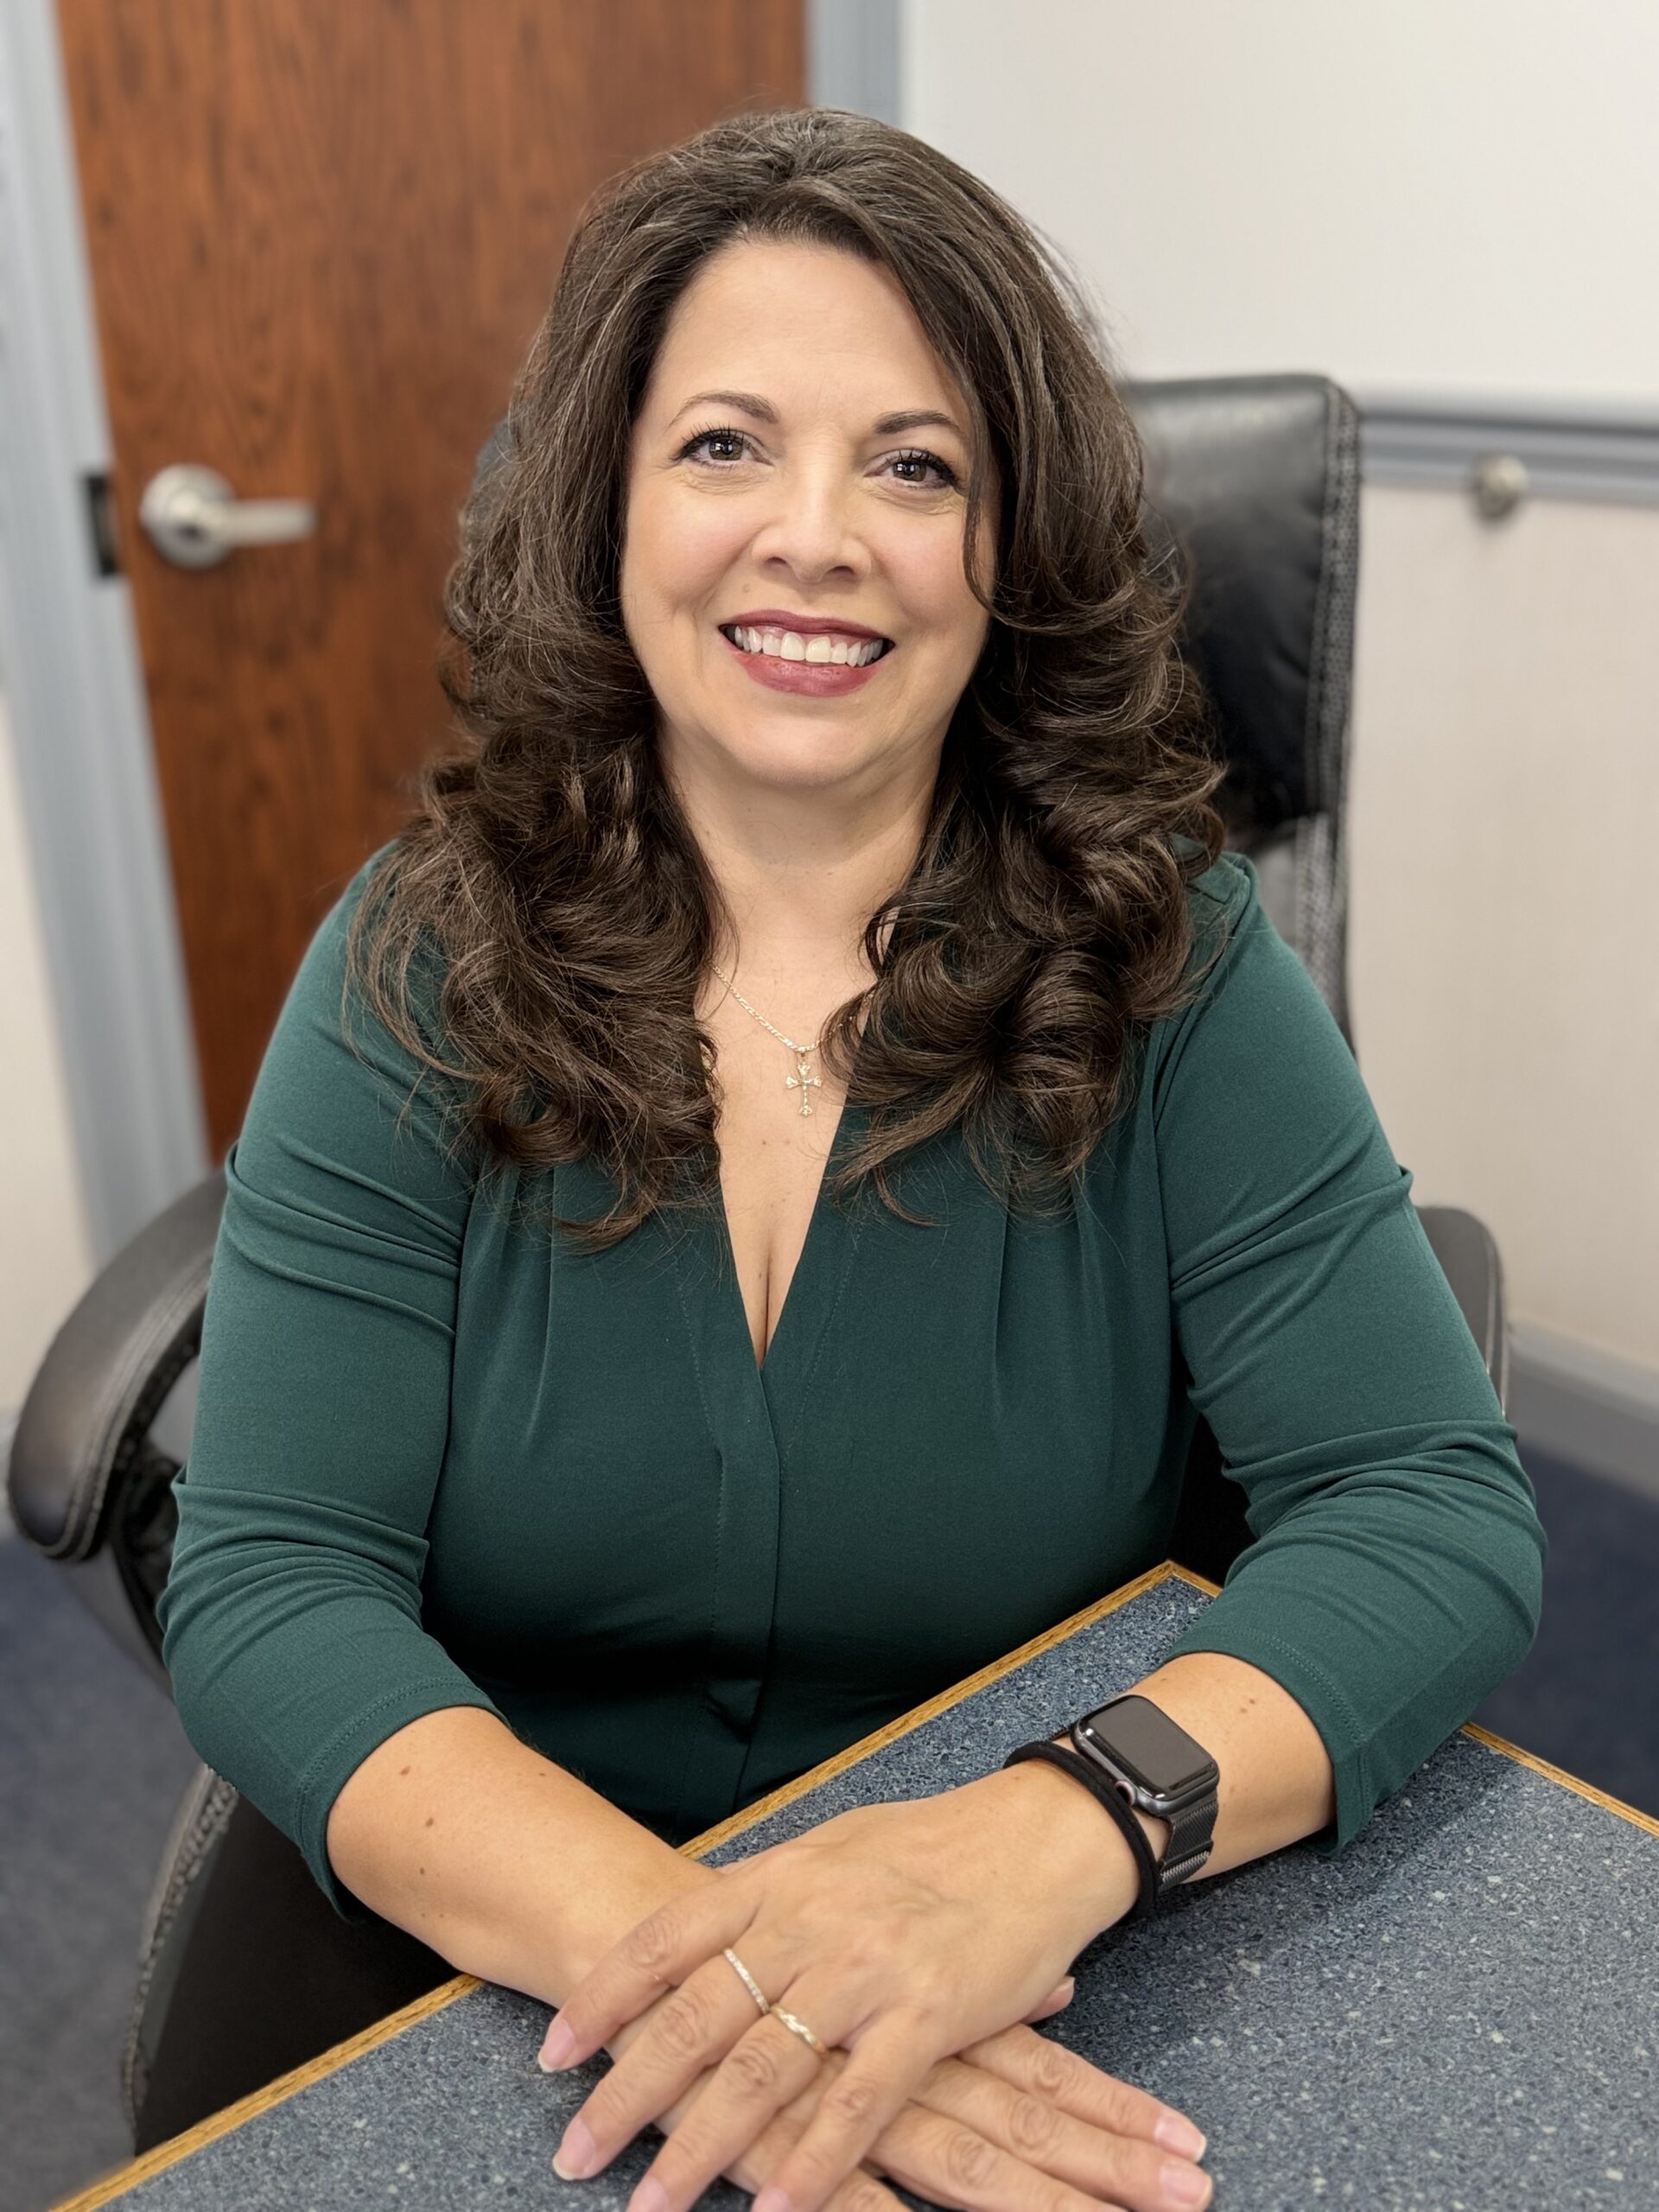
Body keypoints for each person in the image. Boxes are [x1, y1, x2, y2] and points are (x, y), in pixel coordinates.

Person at [156, 105, 1545, 2212]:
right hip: (510, 1952)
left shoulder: (1164, 949)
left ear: (1011, 549)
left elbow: (1428, 1509)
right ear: (602, 510)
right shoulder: (417, 961)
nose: (818, 533)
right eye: (725, 445)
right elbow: (273, 1586)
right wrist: (757, 1993)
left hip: (1057, 1963)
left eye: (917, 465)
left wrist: (1042, 1840)